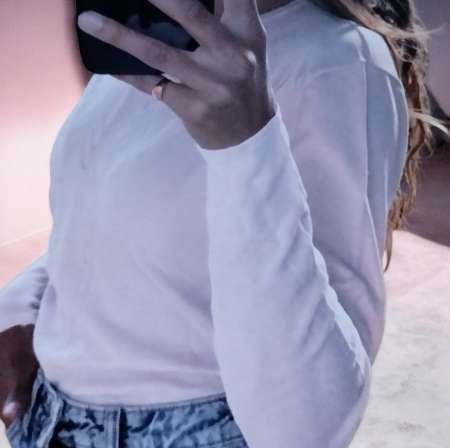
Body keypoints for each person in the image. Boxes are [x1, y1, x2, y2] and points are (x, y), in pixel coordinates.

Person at [0, 0, 445, 446]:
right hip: (49, 419)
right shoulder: (151, 34)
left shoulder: (334, 62)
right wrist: (17, 310)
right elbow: (111, 215)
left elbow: (304, 429)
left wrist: (245, 144)